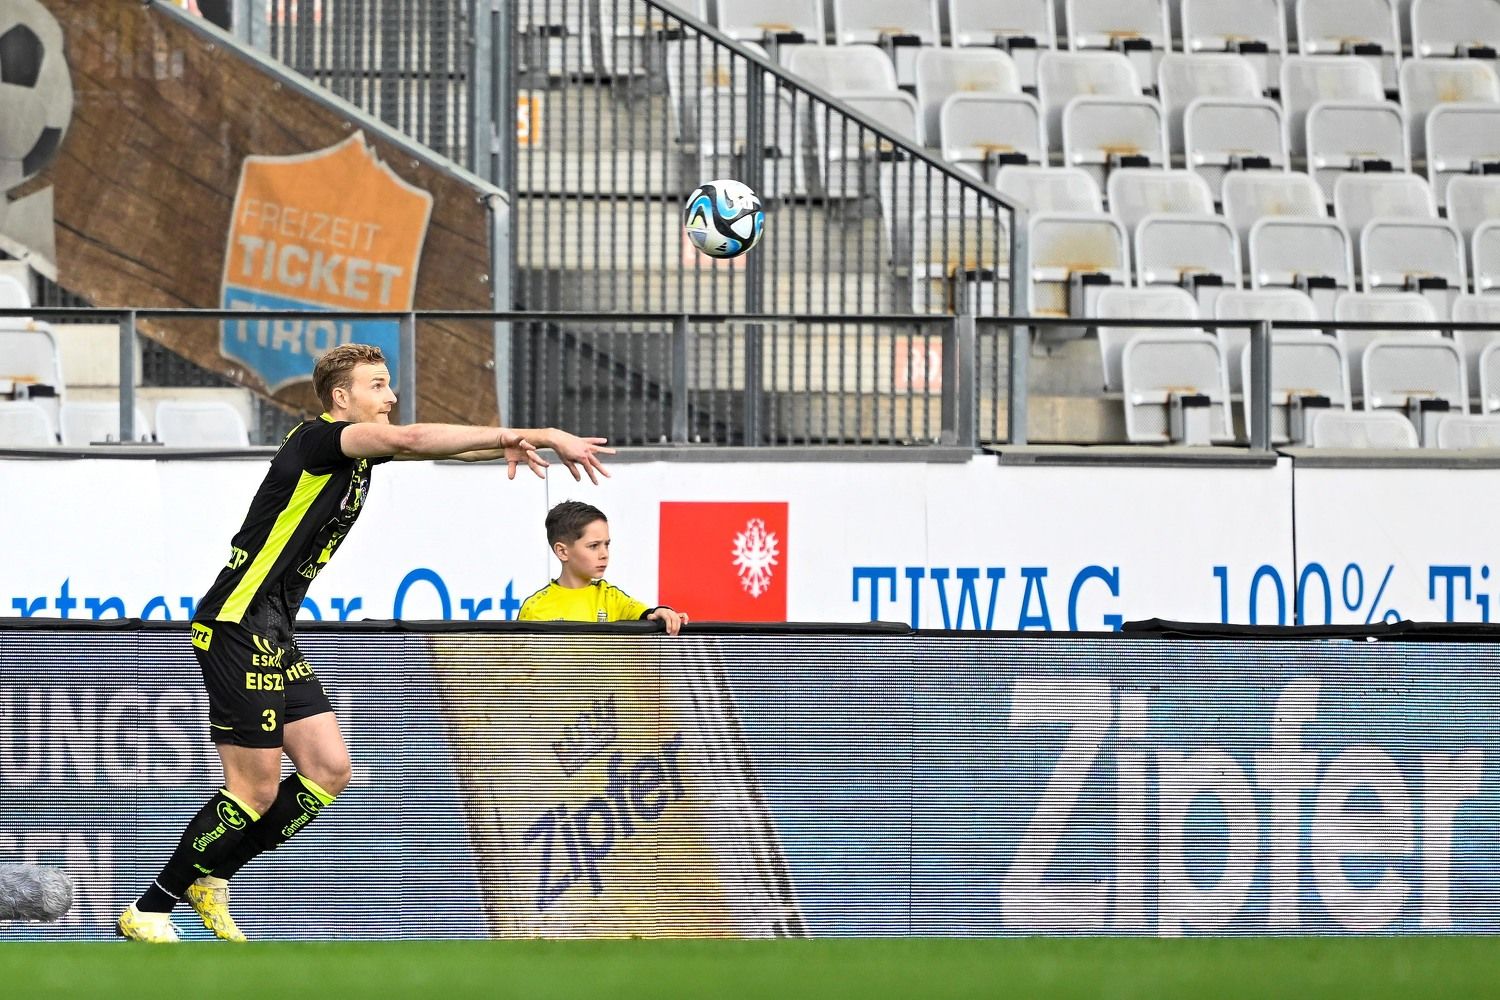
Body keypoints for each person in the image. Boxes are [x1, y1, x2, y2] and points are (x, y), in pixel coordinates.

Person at [117, 343, 612, 943]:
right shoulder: (324, 440)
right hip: (236, 625)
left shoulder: (357, 452)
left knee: (328, 768)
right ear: (341, 400)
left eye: (389, 385)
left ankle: (211, 876)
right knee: (254, 787)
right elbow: (410, 439)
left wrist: (499, 446)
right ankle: (149, 907)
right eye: (377, 386)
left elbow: (423, 443)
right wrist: (539, 432)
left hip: (275, 629)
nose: (392, 397)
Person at [518, 500, 688, 635]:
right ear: (562, 551)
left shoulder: (611, 597)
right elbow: (521, 670)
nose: (604, 554)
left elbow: (647, 614)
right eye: (593, 546)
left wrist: (662, 612)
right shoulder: (534, 607)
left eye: (606, 544)